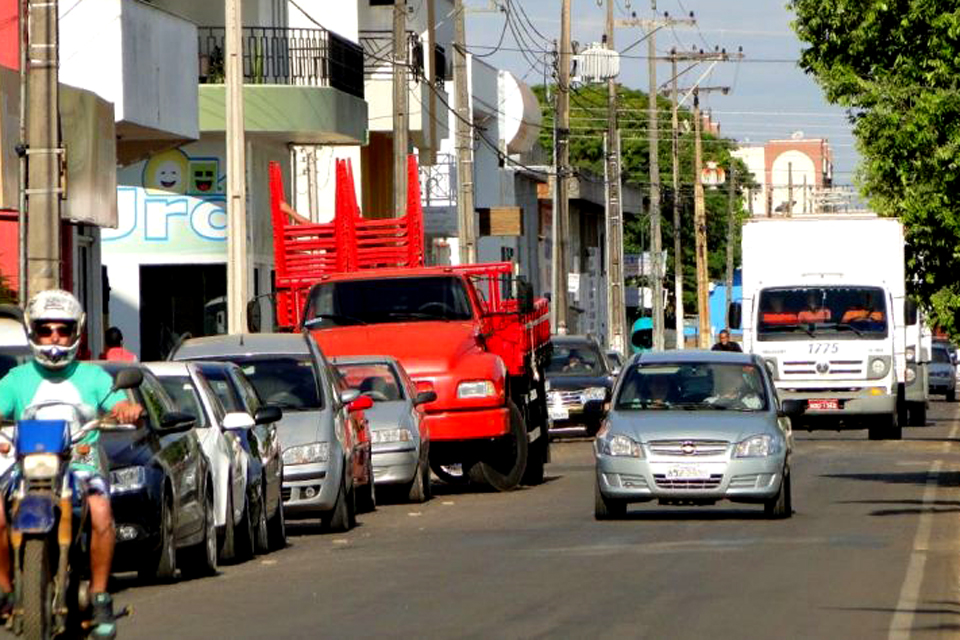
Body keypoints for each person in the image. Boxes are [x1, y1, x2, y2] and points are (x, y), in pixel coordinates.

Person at [0, 290, 144, 639]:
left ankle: (99, 595)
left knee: (101, 513)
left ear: (75, 331)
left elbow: (119, 404)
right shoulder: (15, 380)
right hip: (27, 467)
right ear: (33, 332)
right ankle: (5, 590)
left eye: (62, 329)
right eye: (45, 329)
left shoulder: (93, 378)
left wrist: (127, 409)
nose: (54, 337)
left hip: (83, 465)